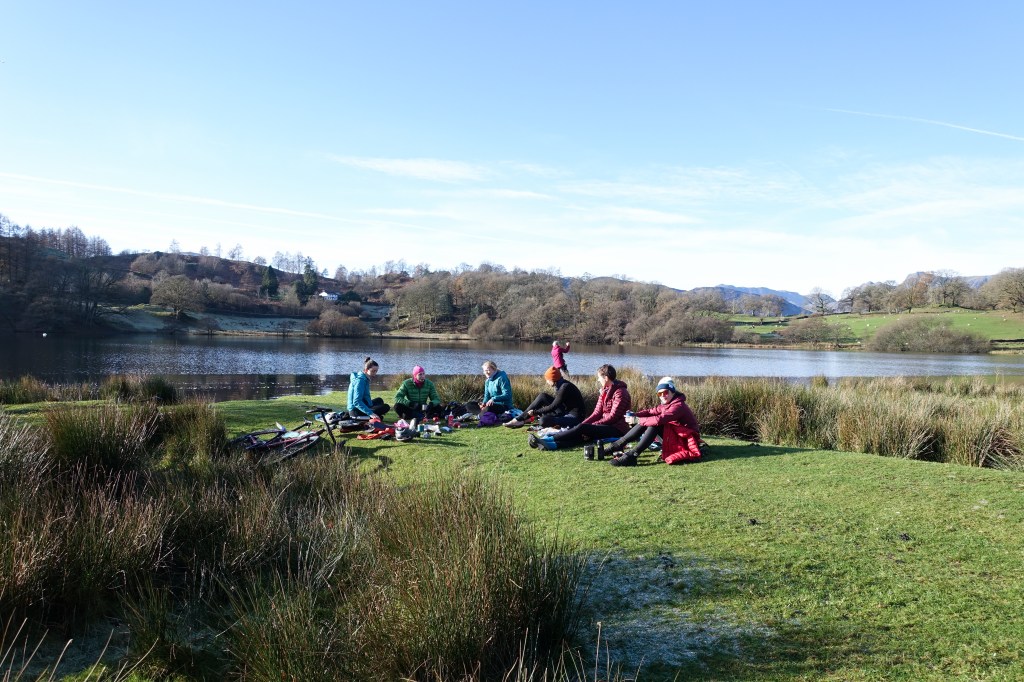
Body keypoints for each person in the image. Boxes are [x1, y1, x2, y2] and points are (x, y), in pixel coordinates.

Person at [528, 364, 630, 450]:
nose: (598, 380)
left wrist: (592, 426)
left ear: (606, 378)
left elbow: (613, 417)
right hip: (605, 425)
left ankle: (548, 440)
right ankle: (552, 445)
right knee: (581, 434)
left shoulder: (620, 393)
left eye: (599, 377)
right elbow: (596, 413)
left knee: (582, 429)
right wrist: (585, 424)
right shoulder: (604, 391)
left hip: (617, 428)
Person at [602, 376, 699, 467]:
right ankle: (618, 445)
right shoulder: (667, 404)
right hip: (677, 435)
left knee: (654, 424)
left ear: (672, 392)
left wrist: (636, 420)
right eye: (659, 394)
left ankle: (633, 455)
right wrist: (635, 415)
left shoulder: (678, 406)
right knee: (649, 421)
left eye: (665, 392)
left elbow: (659, 419)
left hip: (686, 440)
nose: (663, 396)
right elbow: (650, 411)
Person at [505, 366, 585, 429]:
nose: (546, 382)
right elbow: (556, 405)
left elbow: (553, 407)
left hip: (574, 417)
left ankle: (523, 419)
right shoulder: (560, 385)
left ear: (552, 379)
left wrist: (536, 412)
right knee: (542, 396)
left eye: (547, 379)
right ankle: (520, 419)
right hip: (566, 411)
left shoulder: (564, 387)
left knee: (544, 420)